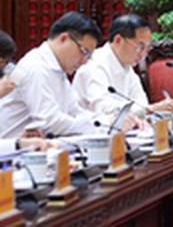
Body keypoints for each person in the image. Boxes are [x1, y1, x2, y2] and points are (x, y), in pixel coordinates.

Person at [0, 11, 104, 139]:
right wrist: (93, 125)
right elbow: (49, 122)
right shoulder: (36, 66)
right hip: (13, 148)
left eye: (88, 56)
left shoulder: (57, 69)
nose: (84, 61)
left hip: (39, 146)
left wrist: (104, 122)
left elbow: (74, 111)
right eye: (84, 52)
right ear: (64, 39)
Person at [74, 14, 173, 121]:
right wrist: (149, 109)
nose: (143, 54)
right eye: (140, 47)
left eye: (147, 48)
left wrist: (149, 110)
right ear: (118, 40)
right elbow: (103, 108)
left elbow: (141, 103)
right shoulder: (95, 65)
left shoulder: (127, 66)